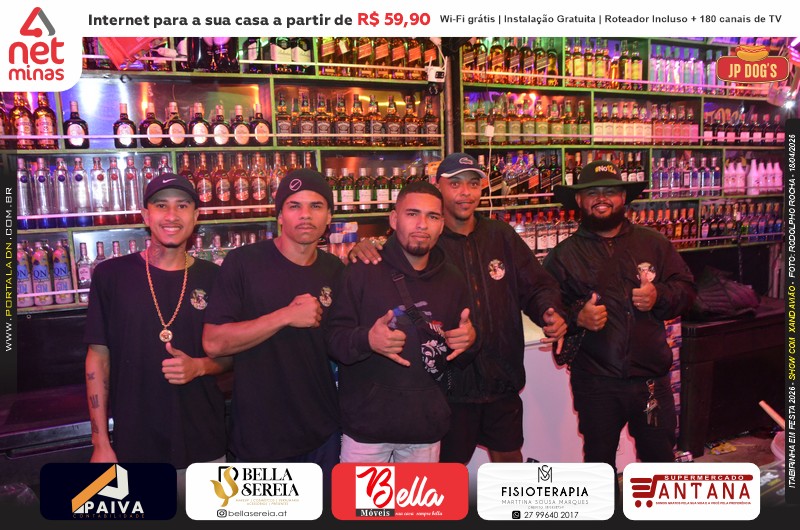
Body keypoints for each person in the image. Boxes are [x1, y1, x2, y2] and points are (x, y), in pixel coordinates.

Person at [349, 153, 567, 464]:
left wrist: (549, 310)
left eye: (473, 184)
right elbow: (389, 257)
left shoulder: (501, 235)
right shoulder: (425, 242)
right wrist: (363, 246)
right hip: (448, 387)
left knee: (509, 465)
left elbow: (536, 286)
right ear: (438, 187)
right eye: (455, 184)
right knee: (447, 475)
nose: (465, 193)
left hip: (501, 377)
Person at [543, 160, 697, 488]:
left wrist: (659, 295)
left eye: (610, 191)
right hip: (595, 383)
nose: (602, 198)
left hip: (650, 382)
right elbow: (546, 309)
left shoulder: (654, 243)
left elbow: (687, 291)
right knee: (598, 467)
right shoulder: (563, 255)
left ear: (623, 197)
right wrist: (576, 317)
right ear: (579, 201)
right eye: (592, 192)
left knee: (660, 465)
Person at [84, 172, 231, 501]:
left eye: (182, 206)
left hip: (204, 443)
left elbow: (231, 355)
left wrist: (200, 367)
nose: (171, 215)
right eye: (161, 205)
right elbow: (98, 358)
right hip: (135, 446)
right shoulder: (111, 275)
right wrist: (100, 442)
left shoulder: (215, 277)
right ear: (145, 215)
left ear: (196, 216)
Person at [202, 169, 344, 489]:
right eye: (294, 206)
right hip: (261, 438)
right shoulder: (244, 262)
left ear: (329, 217)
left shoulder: (335, 269)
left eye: (316, 206)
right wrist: (285, 316)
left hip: (322, 433)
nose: (305, 215)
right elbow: (214, 342)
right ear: (279, 215)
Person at [327, 180, 477, 463]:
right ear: (394, 219)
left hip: (425, 427)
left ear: (442, 225)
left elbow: (460, 351)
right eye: (412, 214)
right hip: (367, 430)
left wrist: (469, 341)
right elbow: (333, 341)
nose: (422, 224)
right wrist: (368, 340)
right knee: (361, 497)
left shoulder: (453, 279)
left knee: (418, 497)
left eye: (432, 216)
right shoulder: (362, 270)